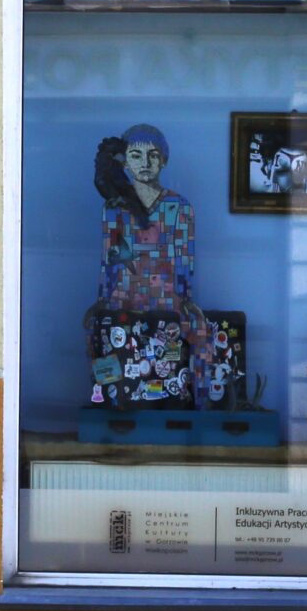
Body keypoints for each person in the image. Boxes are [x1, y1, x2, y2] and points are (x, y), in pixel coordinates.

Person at [91, 123, 212, 406]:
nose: (145, 163)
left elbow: (185, 258)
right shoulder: (115, 208)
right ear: (124, 161)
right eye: (136, 155)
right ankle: (112, 402)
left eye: (153, 155)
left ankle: (186, 403)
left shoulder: (179, 207)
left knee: (186, 342)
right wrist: (103, 298)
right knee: (106, 339)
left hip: (165, 295)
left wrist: (185, 297)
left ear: (164, 160)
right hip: (124, 294)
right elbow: (109, 258)